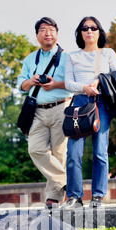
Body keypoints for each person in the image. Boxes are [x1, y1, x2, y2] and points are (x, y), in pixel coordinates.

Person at [63, 16, 116, 209]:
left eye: (93, 28)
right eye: (85, 28)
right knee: (73, 153)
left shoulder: (108, 53)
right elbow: (68, 83)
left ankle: (97, 196)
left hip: (102, 104)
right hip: (79, 104)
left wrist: (99, 81)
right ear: (80, 33)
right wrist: (84, 87)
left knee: (100, 152)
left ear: (99, 32)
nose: (89, 31)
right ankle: (74, 196)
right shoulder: (72, 56)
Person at [17, 17, 72, 209]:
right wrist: (30, 81)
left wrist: (55, 84)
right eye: (43, 30)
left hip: (62, 107)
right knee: (36, 149)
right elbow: (21, 85)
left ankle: (54, 197)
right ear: (37, 36)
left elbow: (76, 82)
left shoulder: (68, 57)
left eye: (51, 29)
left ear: (57, 34)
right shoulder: (30, 59)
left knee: (59, 153)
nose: (48, 33)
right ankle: (68, 181)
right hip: (37, 110)